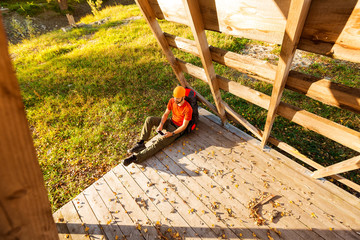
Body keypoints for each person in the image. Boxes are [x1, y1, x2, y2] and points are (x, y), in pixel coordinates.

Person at [123, 86, 193, 166]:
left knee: (159, 141)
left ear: (183, 97)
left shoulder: (188, 108)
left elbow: (184, 126)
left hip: (177, 129)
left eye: (177, 98)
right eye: (174, 97)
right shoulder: (172, 101)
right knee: (149, 119)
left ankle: (136, 157)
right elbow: (166, 114)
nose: (175, 99)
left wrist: (172, 133)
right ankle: (141, 143)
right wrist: (161, 124)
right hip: (170, 121)